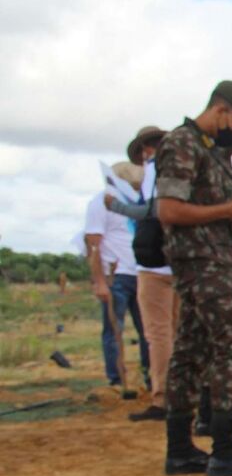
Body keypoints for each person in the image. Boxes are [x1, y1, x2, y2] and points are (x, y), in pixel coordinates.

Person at [156, 80, 232, 476]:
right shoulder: (182, 144)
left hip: (217, 265)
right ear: (221, 110)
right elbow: (170, 211)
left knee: (191, 351)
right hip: (202, 265)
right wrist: (231, 210)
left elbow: (214, 204)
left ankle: (179, 451)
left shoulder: (213, 153)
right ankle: (225, 451)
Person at [107, 125, 173, 421]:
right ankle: (190, 397)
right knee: (179, 333)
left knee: (158, 335)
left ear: (146, 150)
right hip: (179, 260)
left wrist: (118, 206)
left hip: (154, 263)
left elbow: (151, 211)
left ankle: (163, 399)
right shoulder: (183, 169)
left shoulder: (153, 171)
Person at [84, 163, 150, 389]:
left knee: (148, 331)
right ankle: (116, 379)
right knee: (114, 330)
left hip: (141, 273)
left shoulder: (134, 204)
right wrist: (99, 281)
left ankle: (150, 377)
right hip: (116, 275)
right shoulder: (100, 203)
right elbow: (93, 245)